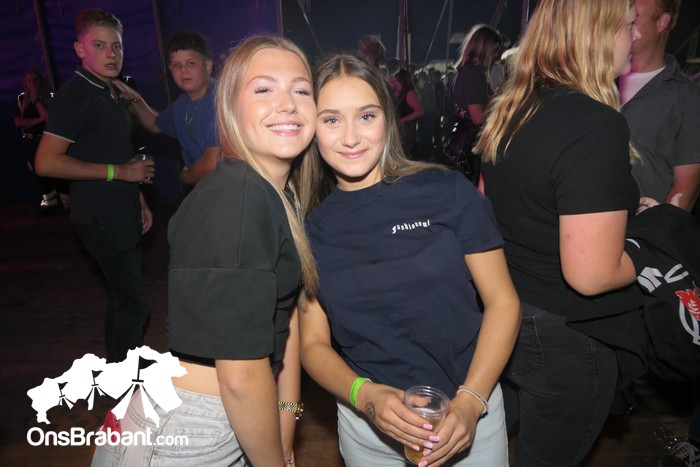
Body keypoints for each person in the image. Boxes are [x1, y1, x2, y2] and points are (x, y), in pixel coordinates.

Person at [91, 35, 318, 466]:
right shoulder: (238, 198)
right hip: (185, 432)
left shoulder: (276, 193)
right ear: (230, 106)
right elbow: (240, 377)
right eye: (264, 89)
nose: (287, 103)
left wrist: (286, 427)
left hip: (236, 418)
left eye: (301, 90)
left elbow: (284, 323)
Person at [299, 52, 520, 467]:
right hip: (369, 434)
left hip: (468, 419)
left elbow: (503, 303)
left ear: (388, 118)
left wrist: (471, 401)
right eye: (331, 120)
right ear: (311, 127)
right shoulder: (309, 230)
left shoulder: (446, 191)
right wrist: (365, 396)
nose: (350, 137)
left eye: (366, 116)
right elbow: (312, 344)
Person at [475, 0, 643, 465]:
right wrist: (653, 248)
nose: (637, 36)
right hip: (564, 337)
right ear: (598, 33)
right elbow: (590, 274)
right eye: (629, 25)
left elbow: (490, 205)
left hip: (504, 315)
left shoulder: (512, 106)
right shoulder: (594, 123)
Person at [35, 8, 154, 364]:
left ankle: (117, 370)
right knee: (134, 303)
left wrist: (137, 197)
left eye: (116, 46)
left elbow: (114, 151)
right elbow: (46, 162)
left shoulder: (111, 91)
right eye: (99, 45)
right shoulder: (76, 96)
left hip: (119, 209)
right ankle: (126, 382)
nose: (111, 54)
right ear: (80, 49)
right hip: (101, 217)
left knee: (121, 298)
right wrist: (122, 173)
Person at [618, 2, 700, 465]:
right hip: (587, 237)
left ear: (664, 21)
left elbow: (685, 188)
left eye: (638, 11)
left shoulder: (685, 96)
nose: (627, 16)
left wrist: (656, 243)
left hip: (644, 246)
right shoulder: (597, 76)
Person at [114, 30, 219, 186]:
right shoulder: (182, 104)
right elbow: (155, 123)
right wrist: (136, 98)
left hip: (232, 189)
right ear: (170, 69)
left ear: (208, 66)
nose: (183, 70)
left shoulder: (218, 100)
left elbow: (212, 162)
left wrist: (185, 177)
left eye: (191, 63)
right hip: (208, 189)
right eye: (177, 65)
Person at [445, 24, 504, 184]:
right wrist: (499, 98)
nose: (497, 54)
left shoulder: (465, 72)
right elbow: (478, 117)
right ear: (483, 49)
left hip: (460, 142)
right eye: (495, 49)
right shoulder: (474, 75)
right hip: (469, 147)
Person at [14, 68, 70, 210]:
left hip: (47, 140)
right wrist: (38, 120)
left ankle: (66, 201)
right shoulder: (21, 99)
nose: (32, 84)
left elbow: (49, 118)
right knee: (38, 171)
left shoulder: (50, 97)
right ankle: (50, 202)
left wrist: (37, 100)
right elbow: (19, 122)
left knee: (56, 170)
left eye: (35, 80)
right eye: (29, 81)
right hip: (30, 142)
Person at [388, 69, 423, 158]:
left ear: (402, 81)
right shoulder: (397, 93)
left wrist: (403, 119)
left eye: (396, 80)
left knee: (404, 155)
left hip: (407, 130)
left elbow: (419, 112)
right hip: (399, 129)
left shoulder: (410, 93)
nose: (395, 83)